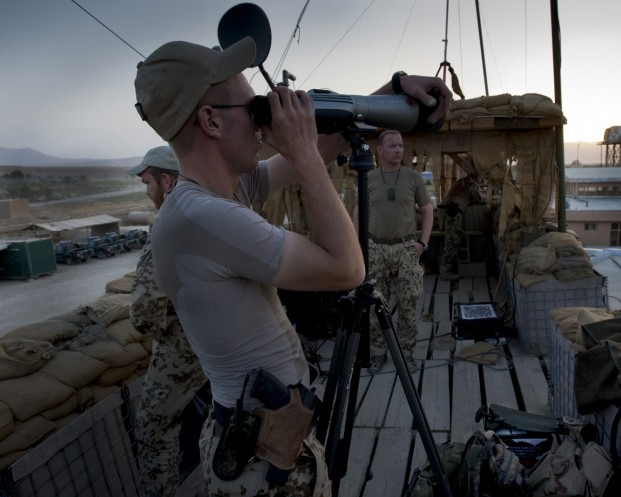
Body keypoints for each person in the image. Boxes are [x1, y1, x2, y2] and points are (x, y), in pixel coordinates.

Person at [133, 35, 452, 496]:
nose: (263, 124)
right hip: (261, 461)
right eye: (253, 109)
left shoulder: (207, 197)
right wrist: (302, 151)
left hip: (268, 434)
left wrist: (395, 88)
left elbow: (318, 148)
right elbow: (347, 269)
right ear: (210, 121)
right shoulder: (204, 217)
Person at [127, 146, 208, 497]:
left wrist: (158, 322)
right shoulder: (208, 212)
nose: (147, 192)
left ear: (167, 180)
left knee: (153, 428)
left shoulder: (168, 224)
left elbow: (144, 311)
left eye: (148, 182)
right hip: (216, 335)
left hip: (183, 343)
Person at [354, 129, 434, 375]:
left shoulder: (413, 178)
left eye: (400, 146)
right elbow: (358, 211)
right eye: (392, 146)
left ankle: (406, 353)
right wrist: (359, 246)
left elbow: (428, 210)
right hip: (375, 247)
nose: (398, 150)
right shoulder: (368, 178)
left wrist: (423, 243)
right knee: (376, 302)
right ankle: (378, 353)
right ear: (379, 150)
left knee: (409, 301)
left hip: (406, 247)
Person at [438, 165, 485, 280]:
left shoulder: (462, 182)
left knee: (452, 240)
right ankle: (445, 272)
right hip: (453, 212)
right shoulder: (470, 184)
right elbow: (478, 198)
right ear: (477, 176)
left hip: (450, 211)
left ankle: (446, 270)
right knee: (452, 241)